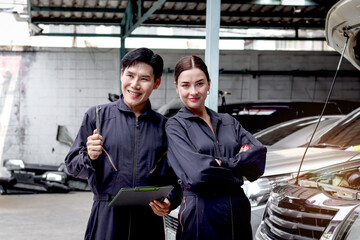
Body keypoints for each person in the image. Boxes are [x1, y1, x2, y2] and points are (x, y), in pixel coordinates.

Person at [65, 48, 180, 240]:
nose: (135, 85)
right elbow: (72, 166)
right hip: (106, 218)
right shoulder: (97, 117)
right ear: (121, 75)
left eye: (144, 79)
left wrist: (171, 202)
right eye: (130, 75)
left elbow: (178, 179)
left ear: (156, 83)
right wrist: (89, 156)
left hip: (148, 221)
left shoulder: (165, 127)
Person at [166, 55, 267, 240]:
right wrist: (238, 166)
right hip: (201, 214)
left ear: (209, 84)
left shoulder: (228, 121)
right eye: (185, 85)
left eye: (200, 83)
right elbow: (198, 174)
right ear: (177, 88)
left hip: (237, 210)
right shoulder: (175, 126)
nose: (193, 91)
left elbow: (258, 158)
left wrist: (221, 163)